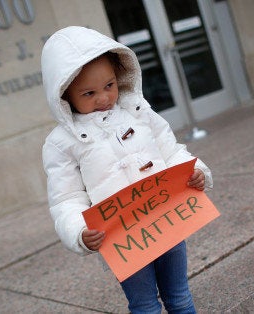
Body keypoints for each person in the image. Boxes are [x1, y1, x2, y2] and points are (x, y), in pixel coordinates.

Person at [41, 26, 213, 313]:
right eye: (88, 93)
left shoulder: (138, 110)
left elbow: (170, 150)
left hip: (166, 216)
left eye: (109, 85)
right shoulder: (61, 143)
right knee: (145, 306)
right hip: (122, 238)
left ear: (119, 76)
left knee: (180, 296)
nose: (103, 98)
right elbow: (66, 199)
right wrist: (80, 231)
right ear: (64, 96)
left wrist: (194, 173)